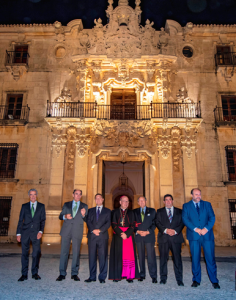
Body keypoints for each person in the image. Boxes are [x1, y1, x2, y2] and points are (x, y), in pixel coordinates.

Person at [182, 188, 220, 289]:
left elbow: (212, 217)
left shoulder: (207, 204)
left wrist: (206, 229)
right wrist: (196, 229)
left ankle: (214, 281)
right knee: (195, 259)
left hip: (207, 236)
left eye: (199, 194)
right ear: (191, 195)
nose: (198, 196)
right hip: (194, 236)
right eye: (196, 194)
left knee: (210, 259)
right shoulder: (186, 206)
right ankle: (196, 280)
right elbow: (185, 219)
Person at [56, 189, 88, 282]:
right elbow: (60, 216)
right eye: (76, 194)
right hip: (66, 231)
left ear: (81, 196)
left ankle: (74, 273)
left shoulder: (84, 206)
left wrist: (83, 215)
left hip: (77, 231)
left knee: (76, 253)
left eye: (80, 194)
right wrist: (65, 216)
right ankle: (62, 273)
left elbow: (87, 219)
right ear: (73, 194)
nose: (78, 196)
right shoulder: (66, 204)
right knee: (64, 252)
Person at [16, 189, 46, 281]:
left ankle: (35, 273)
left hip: (36, 233)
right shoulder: (24, 206)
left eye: (34, 194)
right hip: (25, 232)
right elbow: (21, 220)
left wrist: (41, 231)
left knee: (36, 253)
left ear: (36, 195)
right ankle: (24, 274)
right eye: (31, 195)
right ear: (29, 196)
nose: (33, 196)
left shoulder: (41, 206)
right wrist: (18, 233)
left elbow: (43, 220)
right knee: (24, 254)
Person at [109, 196, 140, 282]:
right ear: (120, 202)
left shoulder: (131, 212)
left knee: (129, 255)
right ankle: (117, 275)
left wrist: (126, 234)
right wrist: (121, 233)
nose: (126, 203)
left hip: (128, 236)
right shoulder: (114, 212)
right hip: (118, 236)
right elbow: (113, 224)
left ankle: (129, 275)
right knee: (118, 255)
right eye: (124, 201)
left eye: (127, 201)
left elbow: (133, 225)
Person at [156, 194, 184, 286]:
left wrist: (175, 231)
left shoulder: (180, 211)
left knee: (177, 260)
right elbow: (157, 222)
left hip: (176, 238)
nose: (168, 201)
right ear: (164, 202)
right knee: (163, 260)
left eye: (170, 200)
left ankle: (179, 280)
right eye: (166, 200)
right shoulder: (159, 211)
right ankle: (163, 278)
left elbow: (182, 222)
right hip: (164, 238)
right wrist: (166, 230)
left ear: (172, 201)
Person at [85, 193, 111, 283]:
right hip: (92, 236)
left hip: (102, 236)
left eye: (99, 198)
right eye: (96, 198)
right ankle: (92, 276)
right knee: (92, 257)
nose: (98, 200)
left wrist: (99, 230)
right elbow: (88, 221)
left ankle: (102, 277)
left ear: (103, 199)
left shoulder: (107, 211)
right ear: (95, 200)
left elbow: (108, 223)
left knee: (103, 257)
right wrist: (93, 230)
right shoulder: (90, 210)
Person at [133, 196, 157, 283]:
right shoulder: (134, 212)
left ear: (146, 201)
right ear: (138, 203)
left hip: (149, 236)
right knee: (141, 256)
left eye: (143, 200)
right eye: (140, 201)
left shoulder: (152, 211)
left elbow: (155, 223)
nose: (142, 202)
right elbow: (132, 224)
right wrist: (137, 231)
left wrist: (148, 232)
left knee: (151, 257)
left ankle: (153, 276)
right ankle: (142, 274)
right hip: (139, 236)